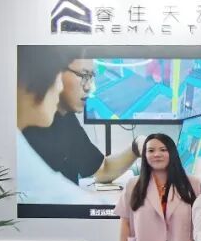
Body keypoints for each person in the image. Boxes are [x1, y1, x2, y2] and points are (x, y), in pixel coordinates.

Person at [23, 57, 141, 186]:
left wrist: (136, 146)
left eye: (91, 76)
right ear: (55, 74)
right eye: (84, 75)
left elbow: (102, 170)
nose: (90, 87)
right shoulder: (27, 127)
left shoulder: (67, 119)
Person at [16, 48, 93, 207]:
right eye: (83, 75)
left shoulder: (68, 119)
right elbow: (53, 194)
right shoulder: (18, 147)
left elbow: (99, 167)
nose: (59, 87)